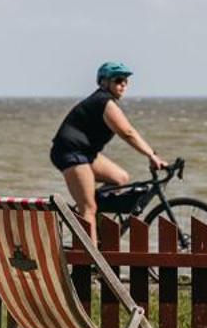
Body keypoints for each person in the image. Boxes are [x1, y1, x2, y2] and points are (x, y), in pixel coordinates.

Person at [51, 62, 165, 232]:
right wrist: (151, 155)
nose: (123, 85)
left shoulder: (107, 101)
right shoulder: (104, 101)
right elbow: (127, 132)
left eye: (126, 81)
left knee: (120, 179)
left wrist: (151, 154)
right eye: (119, 80)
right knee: (88, 209)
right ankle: (90, 255)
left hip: (86, 153)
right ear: (104, 82)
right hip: (70, 153)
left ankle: (92, 217)